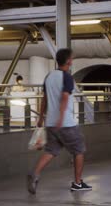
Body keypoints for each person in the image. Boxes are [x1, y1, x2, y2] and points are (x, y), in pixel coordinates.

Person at [27, 48, 92, 194]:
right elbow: (64, 97)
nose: (72, 60)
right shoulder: (67, 77)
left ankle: (35, 174)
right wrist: (61, 118)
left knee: (51, 150)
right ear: (68, 61)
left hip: (50, 123)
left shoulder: (49, 76)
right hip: (65, 123)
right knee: (79, 150)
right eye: (72, 58)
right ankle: (77, 183)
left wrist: (41, 117)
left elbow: (44, 98)